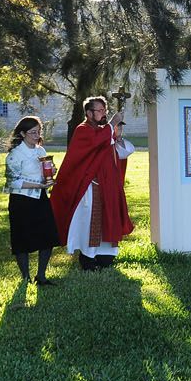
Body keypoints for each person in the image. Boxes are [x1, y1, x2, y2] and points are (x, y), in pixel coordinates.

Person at [50, 96, 135, 271]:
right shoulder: (83, 130)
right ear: (89, 113)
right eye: (100, 111)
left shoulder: (104, 132)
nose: (104, 114)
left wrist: (117, 138)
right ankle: (87, 258)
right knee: (90, 220)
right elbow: (97, 140)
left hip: (108, 186)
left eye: (105, 110)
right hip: (90, 187)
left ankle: (105, 255)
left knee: (108, 218)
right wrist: (112, 124)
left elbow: (122, 153)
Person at [3, 117, 59, 285]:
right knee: (22, 240)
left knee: (48, 237)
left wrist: (51, 173)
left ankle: (41, 276)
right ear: (22, 133)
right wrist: (38, 184)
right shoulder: (15, 154)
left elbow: (46, 170)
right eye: (32, 132)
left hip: (40, 198)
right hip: (21, 201)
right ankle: (25, 278)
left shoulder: (40, 151)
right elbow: (12, 182)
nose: (36, 135)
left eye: (38, 132)